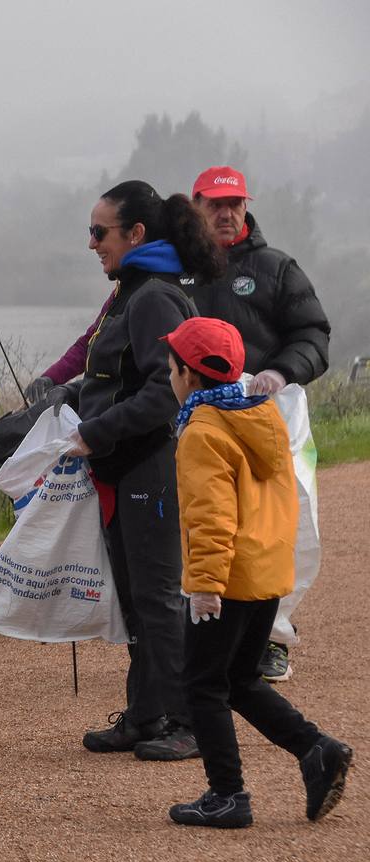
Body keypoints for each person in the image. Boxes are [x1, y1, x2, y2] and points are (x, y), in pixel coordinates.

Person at [161, 316, 352, 828]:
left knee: (202, 684)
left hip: (225, 581)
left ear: (190, 376)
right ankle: (317, 749)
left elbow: (210, 516)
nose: (169, 374)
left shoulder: (202, 430)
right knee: (241, 680)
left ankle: (228, 795)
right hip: (265, 574)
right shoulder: (263, 415)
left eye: (172, 365)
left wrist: (203, 585)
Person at [61, 180, 223, 762]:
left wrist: (93, 432)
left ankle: (191, 721)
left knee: (156, 598)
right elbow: (113, 377)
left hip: (151, 464)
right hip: (123, 466)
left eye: (99, 232)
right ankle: (146, 712)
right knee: (134, 596)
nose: (91, 243)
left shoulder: (153, 295)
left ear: (135, 235)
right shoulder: (132, 292)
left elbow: (166, 392)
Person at [189, 165, 332, 683]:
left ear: (246, 206)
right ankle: (200, 632)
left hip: (269, 420)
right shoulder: (178, 269)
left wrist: (279, 371)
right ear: (196, 206)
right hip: (197, 420)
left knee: (276, 529)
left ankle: (273, 638)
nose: (226, 214)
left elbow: (314, 336)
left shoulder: (276, 268)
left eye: (235, 204)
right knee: (208, 522)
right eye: (214, 205)